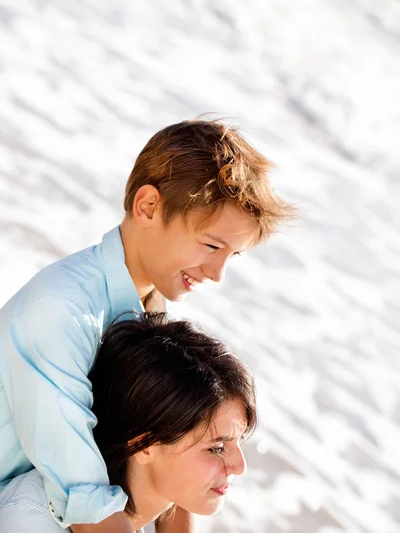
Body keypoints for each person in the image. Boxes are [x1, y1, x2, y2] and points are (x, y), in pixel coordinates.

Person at [0, 118, 293, 533]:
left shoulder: (145, 308)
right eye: (211, 245)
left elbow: (169, 463)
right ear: (148, 207)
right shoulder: (62, 312)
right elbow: (84, 499)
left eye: (233, 255)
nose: (217, 273)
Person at [0, 313, 257, 532]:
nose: (240, 467)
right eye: (217, 448)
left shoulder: (145, 515)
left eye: (239, 441)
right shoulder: (32, 519)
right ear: (143, 444)